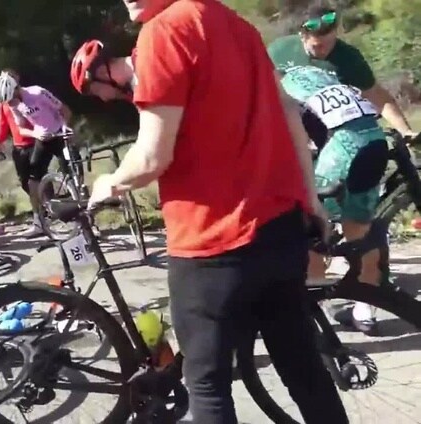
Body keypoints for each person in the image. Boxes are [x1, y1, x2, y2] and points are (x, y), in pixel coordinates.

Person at [87, 0, 348, 422]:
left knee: (207, 383)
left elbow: (153, 155)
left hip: (211, 245)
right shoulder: (237, 25)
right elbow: (288, 113)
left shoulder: (162, 32)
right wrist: (311, 197)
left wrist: (109, 182)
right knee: (303, 369)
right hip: (279, 230)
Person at [279, 65, 389, 334]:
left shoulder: (277, 86)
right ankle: (365, 311)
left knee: (311, 227)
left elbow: (292, 139)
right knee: (360, 230)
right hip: (375, 141)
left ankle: (309, 312)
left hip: (340, 147)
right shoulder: (318, 74)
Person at [268, 4, 417, 138]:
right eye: (318, 46)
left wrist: (405, 131)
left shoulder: (349, 57)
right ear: (303, 36)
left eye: (330, 43)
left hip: (330, 132)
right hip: (284, 123)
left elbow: (378, 97)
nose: (325, 50)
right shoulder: (279, 51)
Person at [0, 71, 73, 238]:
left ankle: (88, 222)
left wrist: (65, 127)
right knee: (32, 181)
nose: (10, 103)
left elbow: (64, 109)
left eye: (10, 98)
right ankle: (39, 222)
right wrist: (36, 134)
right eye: (6, 101)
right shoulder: (13, 105)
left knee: (71, 175)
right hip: (43, 139)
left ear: (15, 89)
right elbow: (20, 127)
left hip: (59, 134)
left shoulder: (38, 93)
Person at [71, 40, 135, 102]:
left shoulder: (142, 94)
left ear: (102, 72)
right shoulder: (142, 48)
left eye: (97, 91)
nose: (104, 99)